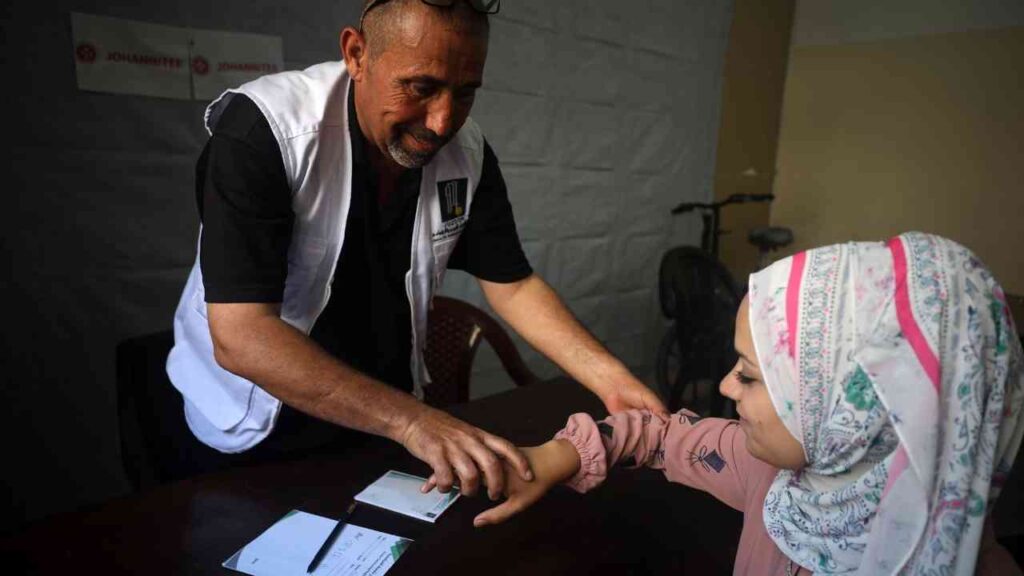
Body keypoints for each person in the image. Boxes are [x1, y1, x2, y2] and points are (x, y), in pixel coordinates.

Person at [165, 0, 666, 499]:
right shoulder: (265, 131)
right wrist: (413, 423)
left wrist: (610, 377)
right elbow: (241, 335)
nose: (442, 122)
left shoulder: (466, 153)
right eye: (420, 87)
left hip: (380, 416)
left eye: (466, 93)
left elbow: (512, 285)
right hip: (253, 431)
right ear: (356, 54)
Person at [470, 232, 1024, 574]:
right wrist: (554, 458)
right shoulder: (770, 466)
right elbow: (662, 434)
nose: (726, 388)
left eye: (752, 376)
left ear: (849, 417)